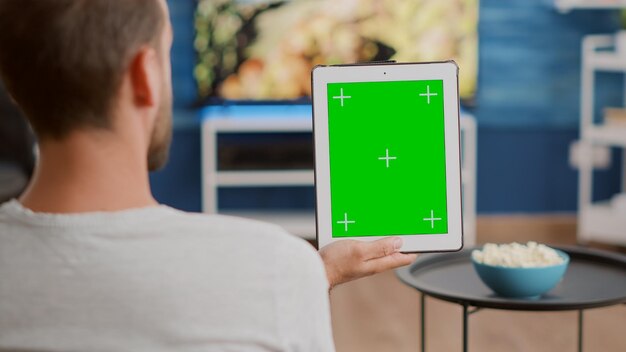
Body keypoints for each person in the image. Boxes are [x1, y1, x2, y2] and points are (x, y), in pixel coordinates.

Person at [0, 0, 417, 351]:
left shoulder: (287, 271)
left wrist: (312, 275)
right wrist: (298, 279)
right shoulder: (277, 266)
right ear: (144, 76)